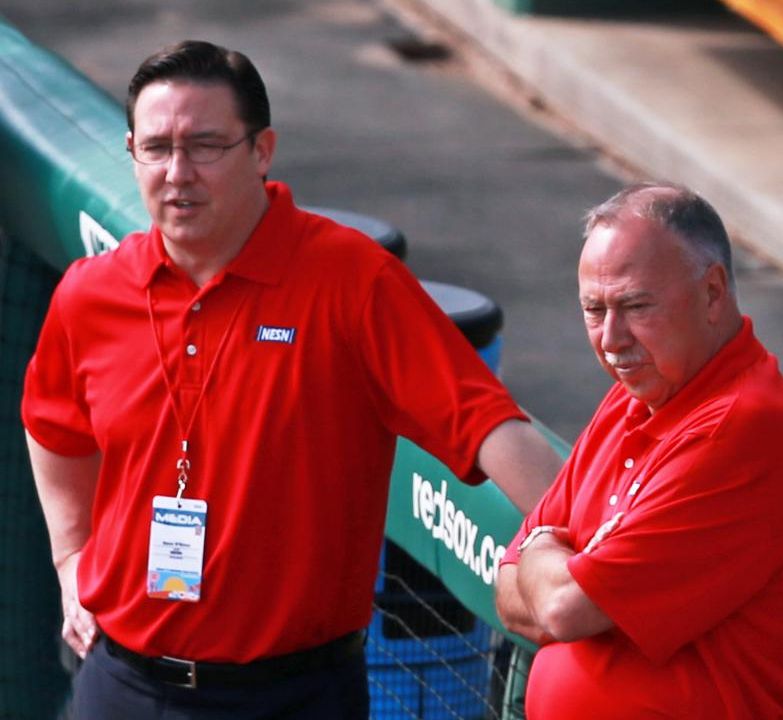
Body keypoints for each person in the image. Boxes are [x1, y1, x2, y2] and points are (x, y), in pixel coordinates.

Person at [21, 40, 561, 718]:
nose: (177, 172)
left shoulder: (351, 282)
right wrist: (71, 557)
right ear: (132, 151)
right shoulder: (90, 293)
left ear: (262, 150)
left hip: (291, 695)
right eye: (156, 148)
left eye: (206, 146)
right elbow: (52, 425)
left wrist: (587, 550)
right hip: (124, 683)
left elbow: (489, 426)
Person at [495, 183, 783, 719]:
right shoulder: (633, 397)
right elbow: (509, 593)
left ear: (712, 293)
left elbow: (561, 608)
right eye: (594, 309)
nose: (611, 339)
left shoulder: (745, 429)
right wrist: (550, 572)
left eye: (636, 306)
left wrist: (542, 546)